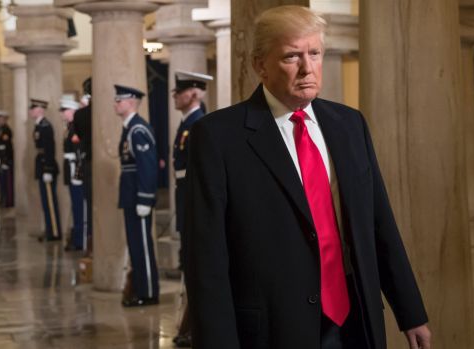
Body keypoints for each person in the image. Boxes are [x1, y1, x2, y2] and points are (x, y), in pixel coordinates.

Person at [183, 6, 430, 349]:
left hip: (355, 318)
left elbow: (379, 223)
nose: (307, 68)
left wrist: (411, 311)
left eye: (314, 53)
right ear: (260, 65)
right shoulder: (218, 137)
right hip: (274, 327)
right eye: (291, 56)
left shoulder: (349, 125)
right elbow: (205, 258)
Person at [170, 70, 214, 348]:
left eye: (181, 91)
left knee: (194, 262)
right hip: (183, 193)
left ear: (195, 93)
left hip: (191, 196)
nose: (175, 96)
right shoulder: (188, 123)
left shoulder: (199, 124)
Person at [114, 84, 159, 307]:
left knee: (142, 245)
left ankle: (149, 292)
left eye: (119, 100)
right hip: (130, 195)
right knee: (135, 245)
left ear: (131, 102)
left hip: (138, 196)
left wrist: (144, 198)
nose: (116, 104)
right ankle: (141, 289)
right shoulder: (129, 128)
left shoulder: (138, 130)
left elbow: (148, 167)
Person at [30, 98, 62, 242]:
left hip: (46, 166)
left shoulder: (45, 126)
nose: (31, 111)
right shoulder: (38, 125)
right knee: (45, 200)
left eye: (33, 108)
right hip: (41, 165)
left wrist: (48, 169)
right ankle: (50, 229)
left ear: (40, 110)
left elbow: (50, 148)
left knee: (49, 200)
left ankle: (54, 232)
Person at [59, 95, 86, 251]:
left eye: (65, 110)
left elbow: (79, 151)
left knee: (79, 205)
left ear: (72, 111)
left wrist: (78, 173)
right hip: (70, 168)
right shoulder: (69, 127)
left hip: (75, 169)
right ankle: (77, 238)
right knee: (75, 205)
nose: (62, 113)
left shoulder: (76, 127)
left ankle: (81, 240)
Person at [72, 78, 93, 253]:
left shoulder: (80, 115)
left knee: (91, 207)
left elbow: (78, 134)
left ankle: (91, 246)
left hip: (89, 163)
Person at [0, 111, 14, 208]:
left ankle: (8, 200)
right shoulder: (0, 129)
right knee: (2, 180)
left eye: (2, 118)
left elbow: (7, 147)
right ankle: (3, 198)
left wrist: (5, 160)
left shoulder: (7, 130)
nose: (0, 120)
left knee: (7, 181)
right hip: (1, 157)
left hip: (6, 158)